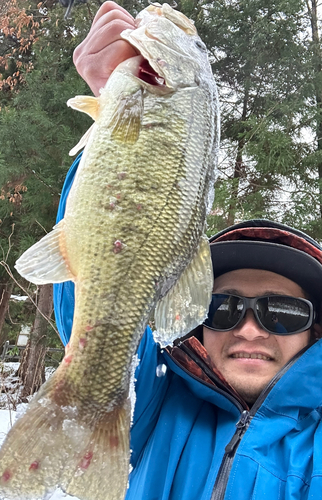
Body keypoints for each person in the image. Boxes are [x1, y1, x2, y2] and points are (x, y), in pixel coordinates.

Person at [54, 2, 322, 498]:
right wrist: (116, 98)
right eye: (222, 307)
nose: (248, 327)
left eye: (282, 312)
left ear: (315, 331)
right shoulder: (153, 401)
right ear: (198, 320)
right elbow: (94, 306)